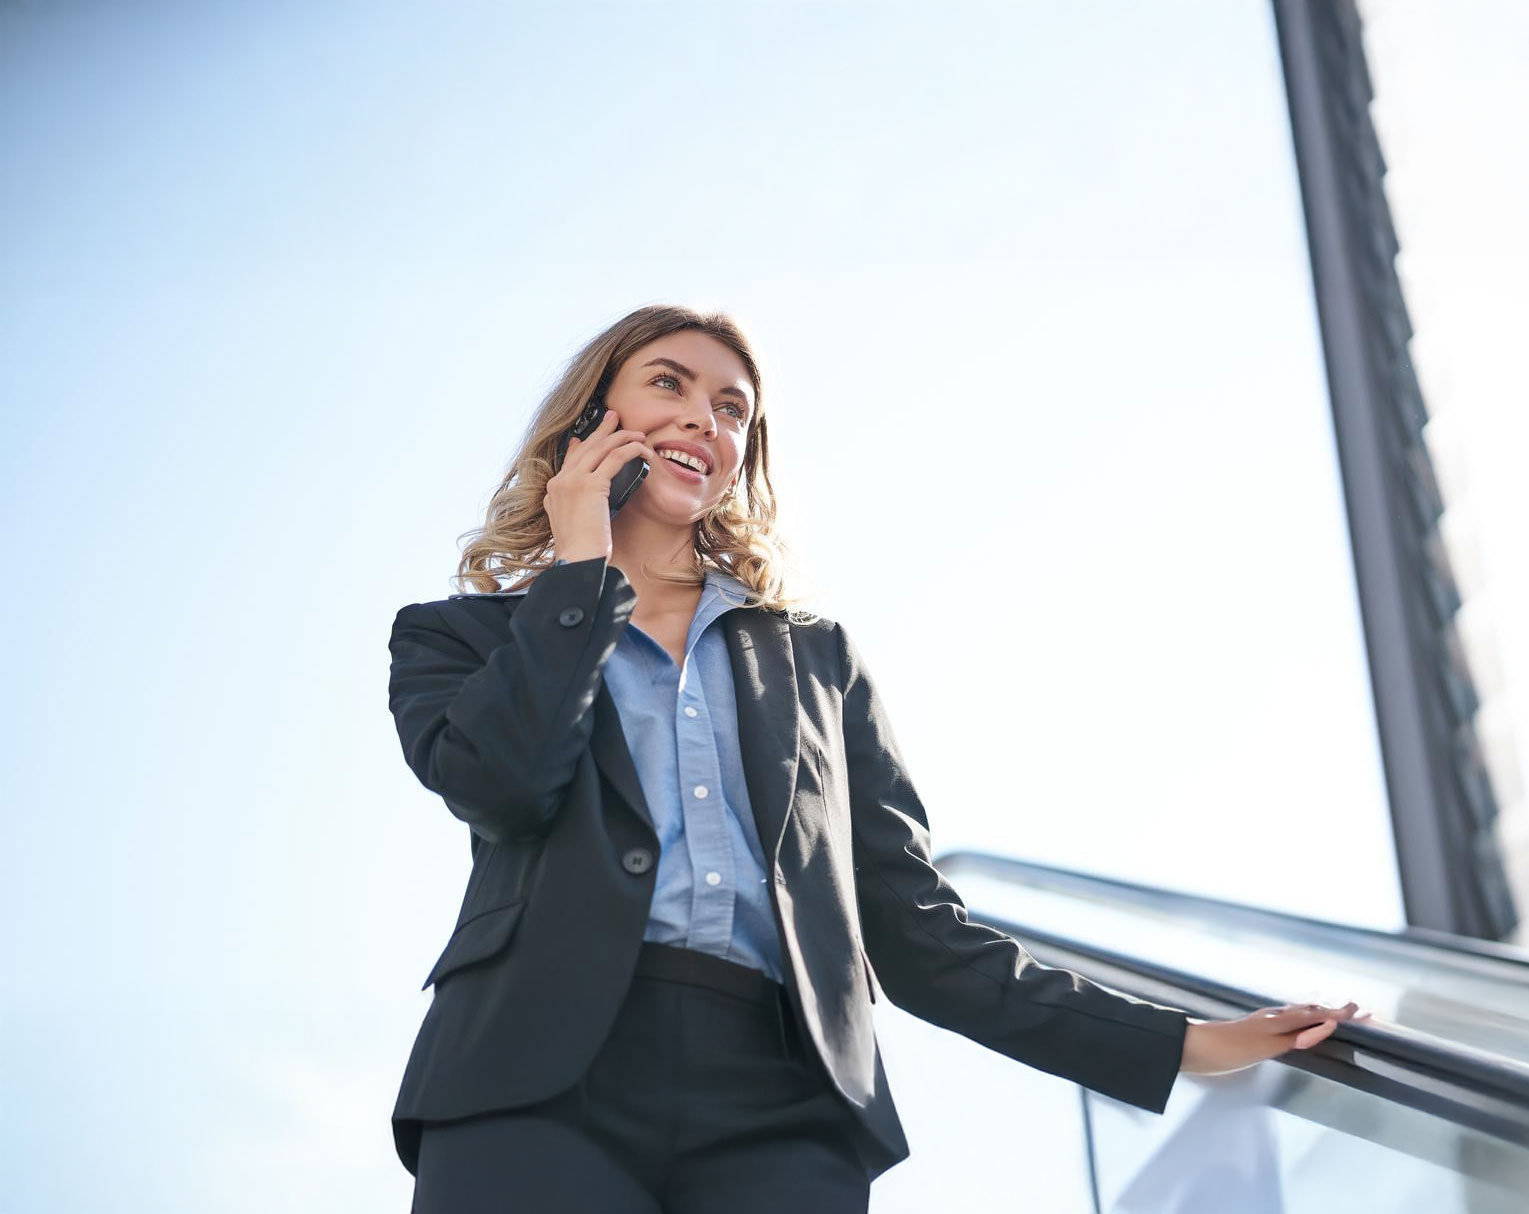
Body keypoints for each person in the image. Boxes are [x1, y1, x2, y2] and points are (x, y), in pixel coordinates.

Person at [385, 304, 1364, 1213]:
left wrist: (1182, 1042)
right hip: (530, 1080)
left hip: (780, 1101)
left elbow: (916, 932)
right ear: (597, 414)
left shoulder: (813, 659)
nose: (704, 419)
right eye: (669, 384)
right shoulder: (458, 638)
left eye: (732, 408)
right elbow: (502, 785)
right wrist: (578, 571)